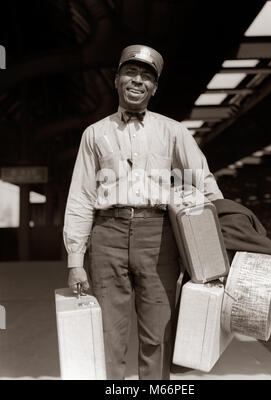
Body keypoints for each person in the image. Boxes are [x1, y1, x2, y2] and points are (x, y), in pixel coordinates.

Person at [63, 44, 224, 380]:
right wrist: (75, 261)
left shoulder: (174, 132)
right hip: (107, 234)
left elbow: (203, 184)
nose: (137, 81)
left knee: (157, 333)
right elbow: (81, 196)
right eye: (130, 72)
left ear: (154, 88)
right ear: (117, 79)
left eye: (146, 76)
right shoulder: (94, 134)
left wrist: (218, 247)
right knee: (109, 334)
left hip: (160, 236)